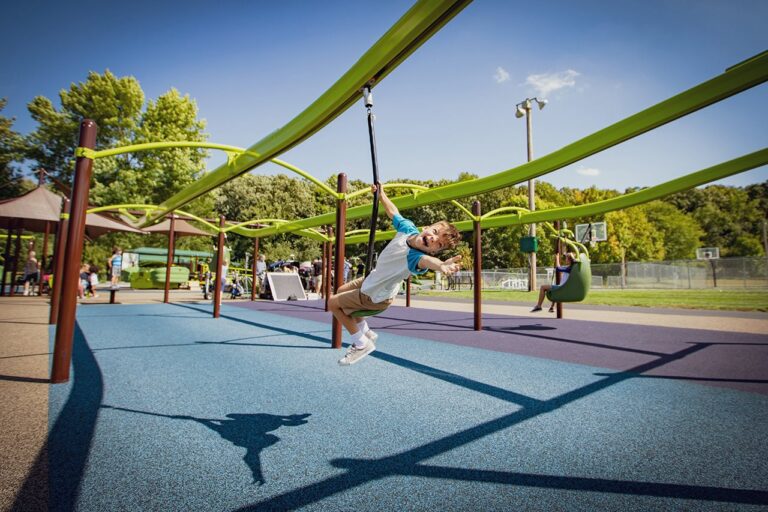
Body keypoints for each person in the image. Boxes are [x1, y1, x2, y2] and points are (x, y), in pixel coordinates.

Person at [329, 184, 462, 366]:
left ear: (433, 252)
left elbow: (428, 263)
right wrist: (381, 194)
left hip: (375, 295)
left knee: (333, 303)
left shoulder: (416, 258)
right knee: (341, 289)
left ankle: (361, 343)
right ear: (427, 227)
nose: (433, 239)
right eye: (435, 232)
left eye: (438, 244)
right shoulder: (408, 228)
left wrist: (441, 266)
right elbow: (393, 212)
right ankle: (365, 330)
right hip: (373, 279)